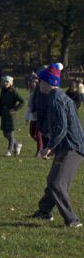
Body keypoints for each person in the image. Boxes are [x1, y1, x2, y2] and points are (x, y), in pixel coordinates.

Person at [31, 63, 84, 228]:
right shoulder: (56, 97)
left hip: (72, 148)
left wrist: (49, 147)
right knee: (53, 179)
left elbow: (62, 128)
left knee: (56, 183)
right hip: (65, 146)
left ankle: (72, 220)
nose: (39, 84)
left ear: (48, 82)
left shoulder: (57, 100)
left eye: (41, 81)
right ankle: (44, 211)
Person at [0, 76, 24, 157]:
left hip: (11, 115)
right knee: (5, 134)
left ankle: (9, 151)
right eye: (4, 82)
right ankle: (16, 145)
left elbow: (22, 101)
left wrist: (15, 109)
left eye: (7, 82)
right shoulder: (3, 91)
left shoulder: (14, 91)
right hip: (4, 114)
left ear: (10, 83)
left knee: (10, 133)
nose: (5, 83)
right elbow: (1, 102)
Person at [25, 75, 43, 156]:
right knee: (32, 133)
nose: (33, 83)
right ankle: (44, 145)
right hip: (33, 114)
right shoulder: (32, 91)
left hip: (38, 114)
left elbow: (39, 103)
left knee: (38, 133)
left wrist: (37, 111)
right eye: (32, 82)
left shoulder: (39, 91)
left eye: (35, 82)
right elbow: (29, 105)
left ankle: (40, 150)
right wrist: (27, 117)